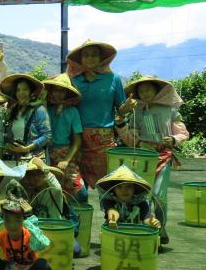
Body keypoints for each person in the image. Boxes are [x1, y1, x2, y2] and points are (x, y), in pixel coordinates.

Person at [116, 76, 189, 244]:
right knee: (142, 194)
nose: (145, 93)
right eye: (141, 91)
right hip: (142, 156)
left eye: (148, 89)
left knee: (159, 195)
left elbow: (183, 133)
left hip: (164, 156)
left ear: (157, 91)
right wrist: (122, 126)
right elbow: (131, 139)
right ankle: (144, 227)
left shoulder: (170, 111)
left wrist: (173, 139)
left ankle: (161, 227)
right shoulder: (137, 112)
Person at [66, 40, 132, 187]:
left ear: (101, 58)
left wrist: (125, 108)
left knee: (106, 184)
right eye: (86, 55)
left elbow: (120, 107)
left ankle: (109, 210)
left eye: (94, 55)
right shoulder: (73, 80)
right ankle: (80, 210)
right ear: (80, 59)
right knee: (76, 186)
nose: (90, 58)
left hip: (103, 139)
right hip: (76, 137)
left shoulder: (113, 78)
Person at [43, 74, 86, 202]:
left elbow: (77, 140)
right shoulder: (44, 109)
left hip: (65, 153)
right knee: (47, 190)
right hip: (46, 154)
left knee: (81, 193)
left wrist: (67, 160)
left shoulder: (73, 111)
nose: (58, 94)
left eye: (62, 91)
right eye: (56, 90)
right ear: (51, 91)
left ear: (67, 93)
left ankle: (74, 218)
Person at [0, 74, 51, 163]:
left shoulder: (39, 110)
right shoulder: (13, 110)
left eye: (25, 89)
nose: (21, 93)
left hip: (33, 159)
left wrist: (26, 148)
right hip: (15, 159)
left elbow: (47, 136)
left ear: (31, 92)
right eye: (18, 90)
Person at [97, 165, 162, 230]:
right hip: (114, 233)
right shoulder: (109, 201)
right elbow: (112, 211)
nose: (124, 190)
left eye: (129, 187)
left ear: (135, 189)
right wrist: (113, 219)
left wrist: (151, 221)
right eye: (119, 187)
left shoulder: (141, 203)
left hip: (134, 234)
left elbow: (146, 218)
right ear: (114, 189)